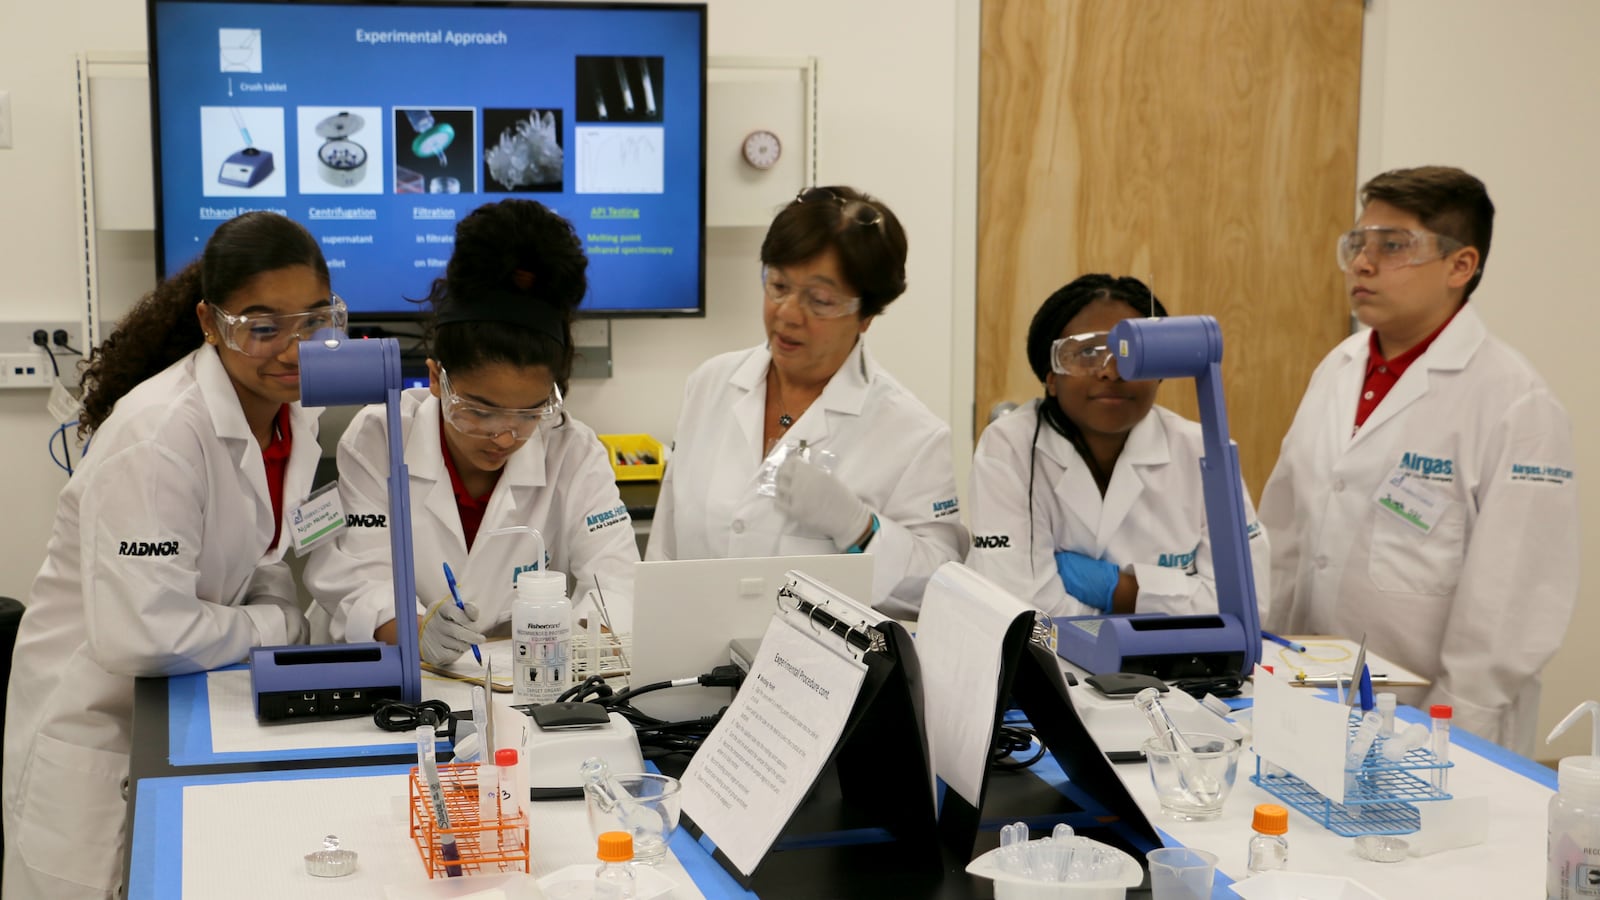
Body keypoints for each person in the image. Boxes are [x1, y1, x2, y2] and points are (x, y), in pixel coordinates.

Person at [1, 212, 330, 899]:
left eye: (314, 321)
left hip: (185, 711)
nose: (294, 349)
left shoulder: (292, 414)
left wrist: (273, 607)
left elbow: (264, 554)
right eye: (263, 327)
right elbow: (142, 636)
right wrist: (280, 626)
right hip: (98, 730)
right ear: (210, 323)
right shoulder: (159, 436)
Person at [1260, 166, 1578, 755]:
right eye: (1358, 244)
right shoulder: (1339, 368)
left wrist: (1451, 735)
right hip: (1307, 694)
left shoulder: (1516, 402)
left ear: (1461, 266)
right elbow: (1284, 535)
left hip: (1436, 724)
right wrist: (1263, 661)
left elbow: (1515, 601)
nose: (1363, 262)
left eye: (1392, 245)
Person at [305, 199, 638, 660]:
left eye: (528, 414)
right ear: (437, 377)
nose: (503, 436)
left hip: (522, 679)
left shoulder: (573, 451)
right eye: (479, 410)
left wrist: (558, 648)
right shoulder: (381, 436)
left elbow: (618, 582)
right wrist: (415, 631)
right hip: (396, 677)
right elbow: (355, 576)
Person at [646, 186, 967, 618]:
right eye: (778, 285)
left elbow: (939, 588)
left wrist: (861, 527)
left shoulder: (912, 434)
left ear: (866, 315)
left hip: (821, 677)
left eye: (820, 301)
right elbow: (664, 549)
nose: (788, 313)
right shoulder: (711, 383)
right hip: (689, 664)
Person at [967, 274, 1270, 620]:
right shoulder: (1009, 447)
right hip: (1046, 670)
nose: (1110, 372)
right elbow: (1017, 604)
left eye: (1130, 353)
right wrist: (1164, 603)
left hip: (1176, 671)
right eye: (1086, 353)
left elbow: (1250, 604)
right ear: (1051, 375)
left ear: (1159, 370)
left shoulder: (1204, 452)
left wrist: (1121, 590)